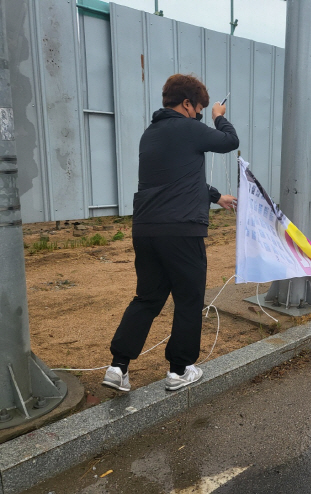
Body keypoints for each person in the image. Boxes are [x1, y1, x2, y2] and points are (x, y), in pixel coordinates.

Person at [102, 74, 239, 392]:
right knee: (189, 300)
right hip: (181, 232)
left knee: (147, 298)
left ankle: (118, 367)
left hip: (147, 229)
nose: (201, 116)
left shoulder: (149, 135)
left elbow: (179, 180)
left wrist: (217, 196)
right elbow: (230, 142)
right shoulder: (189, 128)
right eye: (200, 110)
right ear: (187, 103)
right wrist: (220, 117)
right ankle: (179, 371)